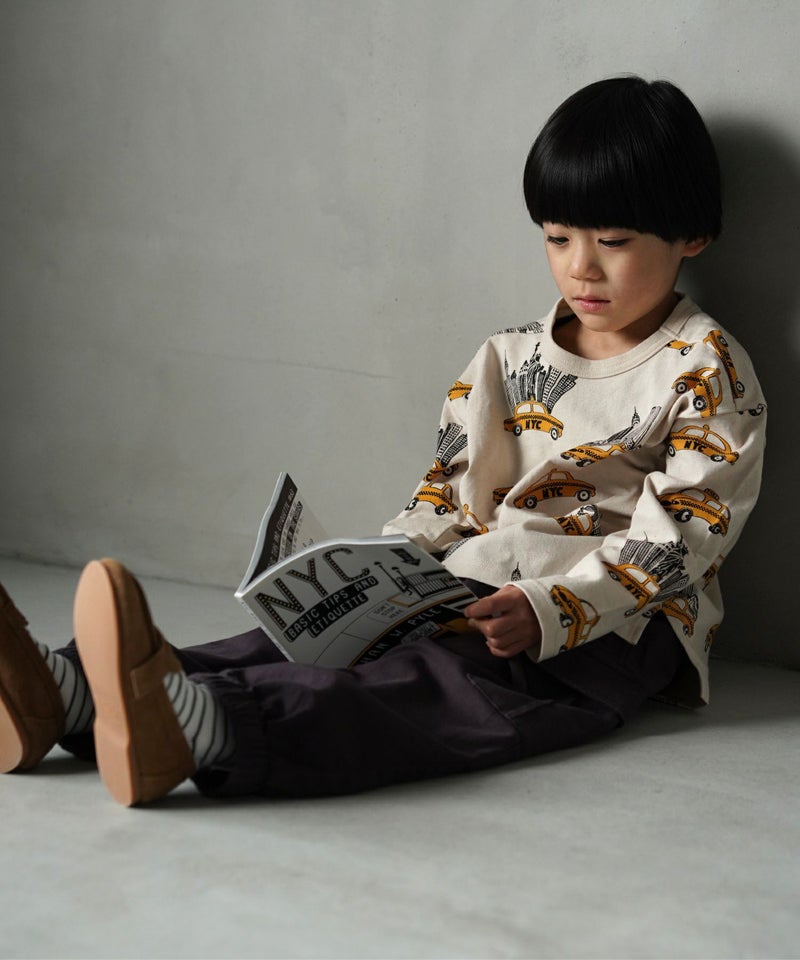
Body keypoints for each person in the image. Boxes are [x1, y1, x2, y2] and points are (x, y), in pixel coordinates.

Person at [0, 75, 766, 806]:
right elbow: (448, 493)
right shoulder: (507, 356)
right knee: (300, 646)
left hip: (606, 633)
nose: (580, 268)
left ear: (692, 236)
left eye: (614, 240)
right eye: (557, 237)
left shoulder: (706, 369)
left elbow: (684, 538)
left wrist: (552, 608)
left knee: (428, 690)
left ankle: (206, 730)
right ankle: (68, 695)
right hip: (472, 584)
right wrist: (387, 569)